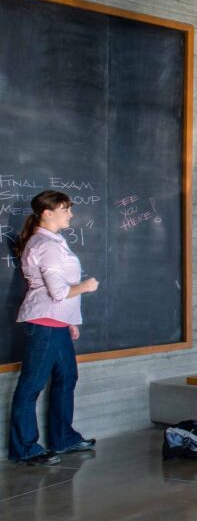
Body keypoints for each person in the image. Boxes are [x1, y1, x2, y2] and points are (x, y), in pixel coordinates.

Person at [7, 191, 100, 466]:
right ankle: (25, 449)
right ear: (48, 213)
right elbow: (58, 292)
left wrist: (69, 320)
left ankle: (63, 438)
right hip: (45, 324)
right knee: (32, 385)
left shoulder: (52, 241)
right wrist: (86, 286)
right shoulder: (46, 245)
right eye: (65, 210)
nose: (71, 214)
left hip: (56, 323)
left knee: (67, 377)